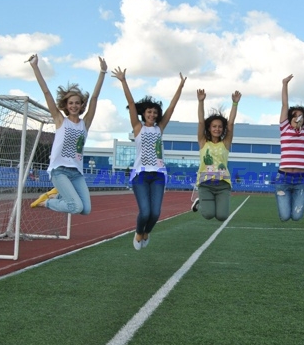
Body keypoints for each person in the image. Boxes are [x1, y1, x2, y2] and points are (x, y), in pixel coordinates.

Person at [112, 67, 186, 250]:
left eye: (155, 112)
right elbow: (131, 102)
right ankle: (139, 232)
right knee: (145, 212)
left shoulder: (159, 128)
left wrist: (181, 86)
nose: (152, 115)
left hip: (159, 175)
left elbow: (172, 107)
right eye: (149, 112)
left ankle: (147, 232)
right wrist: (123, 81)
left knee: (155, 213)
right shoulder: (138, 128)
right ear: (143, 114)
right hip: (141, 175)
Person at [28, 53, 107, 214]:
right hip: (59, 171)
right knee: (76, 207)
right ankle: (47, 202)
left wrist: (102, 72)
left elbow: (94, 98)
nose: (74, 106)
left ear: (81, 105)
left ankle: (56, 196)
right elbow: (47, 93)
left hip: (76, 173)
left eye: (77, 103)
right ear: (66, 105)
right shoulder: (60, 120)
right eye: (71, 103)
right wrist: (35, 67)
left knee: (86, 210)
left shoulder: (85, 124)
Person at [192, 88, 241, 220]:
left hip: (223, 184)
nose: (217, 129)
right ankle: (201, 202)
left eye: (220, 127)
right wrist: (201, 102)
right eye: (214, 126)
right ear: (209, 128)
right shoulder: (203, 142)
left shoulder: (225, 143)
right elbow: (201, 122)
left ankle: (207, 202)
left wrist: (235, 103)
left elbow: (231, 124)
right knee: (208, 215)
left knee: (222, 216)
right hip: (205, 183)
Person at [275, 74, 304, 221]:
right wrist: (285, 84)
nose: (298, 118)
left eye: (301, 116)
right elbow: (284, 105)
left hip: (302, 179)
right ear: (290, 117)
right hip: (283, 178)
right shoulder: (284, 128)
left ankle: (294, 199)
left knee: (297, 216)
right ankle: (284, 199)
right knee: (285, 216)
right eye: (295, 115)